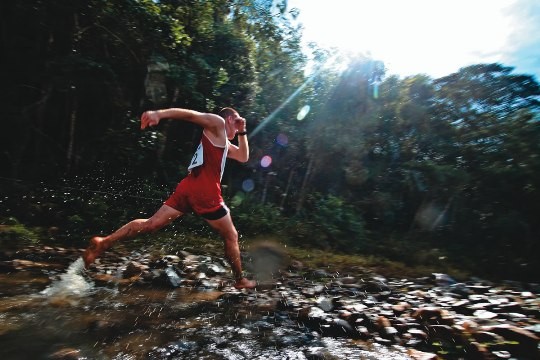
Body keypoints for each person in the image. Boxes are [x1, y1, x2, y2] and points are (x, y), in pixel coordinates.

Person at [82, 107, 257, 289]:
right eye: (236, 122)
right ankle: (240, 280)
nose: (237, 127)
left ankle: (104, 242)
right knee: (231, 235)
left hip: (188, 187)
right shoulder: (217, 123)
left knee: (151, 224)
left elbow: (243, 157)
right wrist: (159, 114)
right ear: (228, 119)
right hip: (206, 192)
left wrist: (243, 131)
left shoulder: (222, 142)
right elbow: (191, 115)